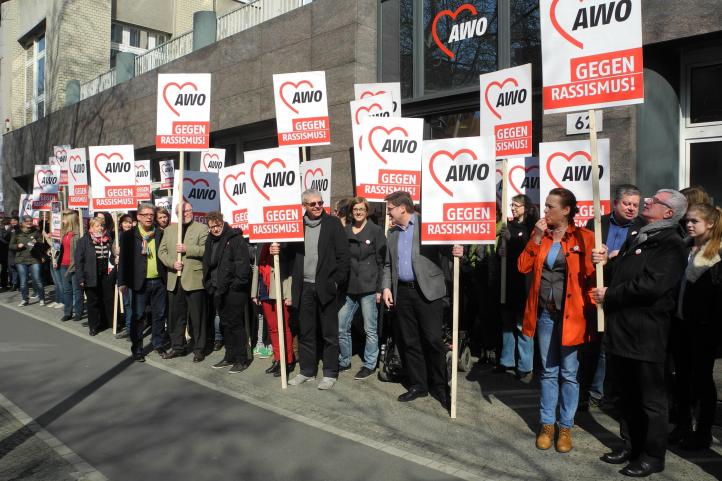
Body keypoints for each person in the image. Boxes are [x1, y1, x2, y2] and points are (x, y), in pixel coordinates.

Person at [592, 189, 688, 477]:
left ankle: (652, 455)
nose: (647, 202)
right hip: (622, 331)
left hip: (646, 334)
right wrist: (605, 262)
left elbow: (653, 285)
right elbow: (622, 273)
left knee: (651, 400)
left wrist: (612, 293)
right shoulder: (639, 235)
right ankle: (630, 446)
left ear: (668, 213)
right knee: (627, 395)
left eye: (654, 201)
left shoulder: (671, 244)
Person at [517, 188, 597, 453]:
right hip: (545, 313)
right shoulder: (542, 235)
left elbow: (591, 276)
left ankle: (565, 427)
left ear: (566, 210)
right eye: (546, 206)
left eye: (550, 206)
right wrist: (537, 238)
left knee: (569, 373)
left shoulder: (585, 237)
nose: (545, 211)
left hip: (572, 313)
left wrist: (601, 259)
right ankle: (547, 424)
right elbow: (522, 267)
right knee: (548, 371)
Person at [382, 191, 462, 409]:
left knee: (433, 341)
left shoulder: (429, 225)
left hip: (428, 292)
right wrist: (387, 286)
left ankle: (439, 386)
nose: (387, 213)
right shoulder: (393, 234)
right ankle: (419, 384)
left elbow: (447, 248)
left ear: (402, 208)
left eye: (389, 209)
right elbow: (388, 264)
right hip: (403, 293)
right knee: (409, 341)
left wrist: (458, 249)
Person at [581, 184, 646, 409]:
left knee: (617, 347)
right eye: (627, 204)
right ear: (616, 203)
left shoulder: (643, 227)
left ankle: (613, 392)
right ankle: (593, 391)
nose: (631, 209)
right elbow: (584, 255)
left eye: (635, 205)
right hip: (598, 289)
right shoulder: (597, 224)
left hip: (625, 293)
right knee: (595, 345)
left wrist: (618, 258)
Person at [287, 189, 350, 390]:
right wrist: (276, 247)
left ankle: (330, 373)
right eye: (313, 204)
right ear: (304, 206)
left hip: (326, 287)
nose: (317, 206)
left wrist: (336, 282)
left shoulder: (332, 224)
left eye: (320, 203)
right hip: (304, 287)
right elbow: (290, 255)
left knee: (329, 333)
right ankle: (306, 371)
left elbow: (344, 257)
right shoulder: (297, 226)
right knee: (306, 331)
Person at [671, 203, 722, 450]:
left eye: (694, 221)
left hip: (704, 328)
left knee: (702, 379)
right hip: (681, 323)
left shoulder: (717, 254)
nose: (688, 225)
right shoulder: (686, 247)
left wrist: (708, 323)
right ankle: (682, 426)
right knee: (681, 378)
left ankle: (702, 432)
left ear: (710, 224)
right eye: (687, 221)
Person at [338, 196, 386, 380]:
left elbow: (382, 262)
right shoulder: (345, 231)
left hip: (369, 287)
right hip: (349, 287)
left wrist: (381, 288)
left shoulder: (376, 231)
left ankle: (369, 364)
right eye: (355, 209)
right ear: (351, 212)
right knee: (341, 325)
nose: (358, 212)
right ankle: (344, 360)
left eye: (361, 209)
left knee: (370, 328)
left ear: (367, 211)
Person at [202, 212, 252, 373]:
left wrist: (236, 285)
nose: (215, 229)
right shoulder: (210, 240)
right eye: (211, 227)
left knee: (236, 325)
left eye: (217, 225)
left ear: (222, 223)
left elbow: (242, 265)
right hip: (218, 289)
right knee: (225, 324)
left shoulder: (235, 239)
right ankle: (229, 356)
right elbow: (208, 264)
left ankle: (241, 359)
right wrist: (209, 284)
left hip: (233, 290)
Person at [158, 202, 208, 362]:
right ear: (177, 214)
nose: (187, 213)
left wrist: (188, 249)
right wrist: (172, 263)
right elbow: (162, 252)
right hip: (175, 279)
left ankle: (199, 348)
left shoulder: (201, 228)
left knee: (197, 317)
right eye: (183, 211)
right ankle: (178, 346)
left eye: (189, 210)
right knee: (175, 317)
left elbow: (206, 250)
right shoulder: (169, 230)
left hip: (194, 280)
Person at [496, 194, 539, 382]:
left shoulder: (531, 227)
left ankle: (525, 366)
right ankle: (507, 361)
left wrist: (511, 239)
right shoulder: (509, 226)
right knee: (507, 324)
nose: (512, 208)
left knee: (523, 326)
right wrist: (501, 249)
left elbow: (530, 252)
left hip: (524, 283)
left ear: (525, 207)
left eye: (516, 205)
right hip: (507, 281)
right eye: (511, 205)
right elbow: (501, 252)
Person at [117, 203, 168, 362]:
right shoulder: (128, 235)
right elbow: (124, 260)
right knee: (138, 316)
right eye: (145, 214)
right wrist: (122, 282)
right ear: (138, 217)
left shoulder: (160, 233)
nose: (149, 217)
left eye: (151, 215)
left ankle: (158, 344)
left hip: (159, 281)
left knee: (159, 315)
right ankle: (137, 348)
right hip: (139, 282)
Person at [252, 242, 295, 377]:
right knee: (273, 328)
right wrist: (255, 292)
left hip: (281, 289)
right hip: (265, 288)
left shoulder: (286, 241)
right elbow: (257, 265)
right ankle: (277, 359)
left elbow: (292, 267)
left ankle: (288, 360)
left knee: (284, 327)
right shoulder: (260, 241)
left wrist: (289, 293)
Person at [75, 217, 116, 336]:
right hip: (90, 274)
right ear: (91, 227)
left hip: (106, 273)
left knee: (106, 299)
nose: (100, 228)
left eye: (102, 225)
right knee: (92, 301)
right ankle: (93, 325)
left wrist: (115, 256)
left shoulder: (108, 239)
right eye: (97, 226)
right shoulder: (84, 240)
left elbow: (112, 255)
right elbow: (79, 261)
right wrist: (81, 278)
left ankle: (105, 321)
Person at [10, 215, 47, 306]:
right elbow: (11, 246)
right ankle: (24, 299)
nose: (29, 222)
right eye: (27, 221)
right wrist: (17, 246)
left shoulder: (36, 231)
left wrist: (37, 243)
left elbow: (42, 245)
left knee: (37, 279)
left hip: (34, 259)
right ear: (22, 223)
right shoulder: (16, 232)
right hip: (21, 260)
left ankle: (42, 298)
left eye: (30, 221)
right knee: (23, 281)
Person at [58, 211, 83, 321]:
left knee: (77, 290)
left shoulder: (79, 234)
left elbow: (80, 252)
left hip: (74, 265)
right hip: (63, 264)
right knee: (67, 290)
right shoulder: (64, 232)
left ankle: (78, 312)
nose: (62, 220)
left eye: (64, 218)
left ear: (71, 219)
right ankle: (67, 312)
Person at [115, 213, 134, 339]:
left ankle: (133, 330)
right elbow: (113, 259)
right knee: (126, 303)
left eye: (129, 222)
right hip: (123, 275)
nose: (127, 224)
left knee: (133, 303)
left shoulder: (135, 236)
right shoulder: (118, 237)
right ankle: (128, 328)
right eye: (125, 222)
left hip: (133, 274)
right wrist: (115, 256)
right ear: (121, 224)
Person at [0, 218, 10, 290]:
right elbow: (4, 240)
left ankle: (4, 285)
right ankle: (3, 285)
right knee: (3, 269)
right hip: (3, 252)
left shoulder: (8, 230)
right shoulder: (3, 231)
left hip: (6, 253)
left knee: (4, 270)